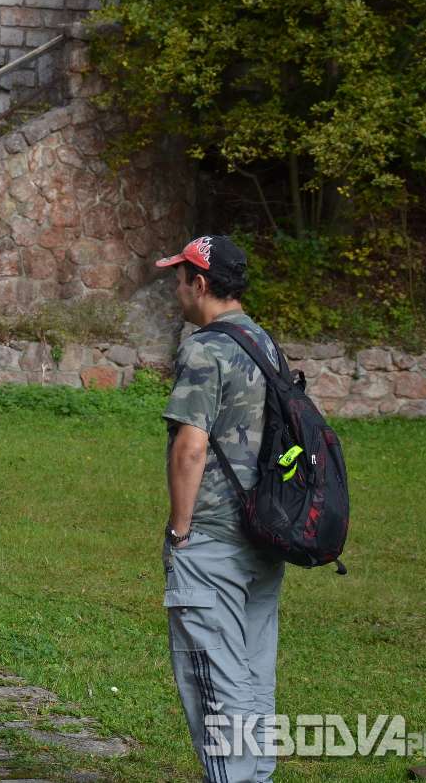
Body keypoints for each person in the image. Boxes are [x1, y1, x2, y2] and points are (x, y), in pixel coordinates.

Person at [156, 235, 286, 783]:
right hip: (265, 532)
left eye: (180, 277)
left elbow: (191, 445)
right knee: (254, 676)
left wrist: (179, 531)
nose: (176, 287)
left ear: (200, 284)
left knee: (215, 682)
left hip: (211, 538)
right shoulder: (265, 342)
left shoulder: (205, 348)